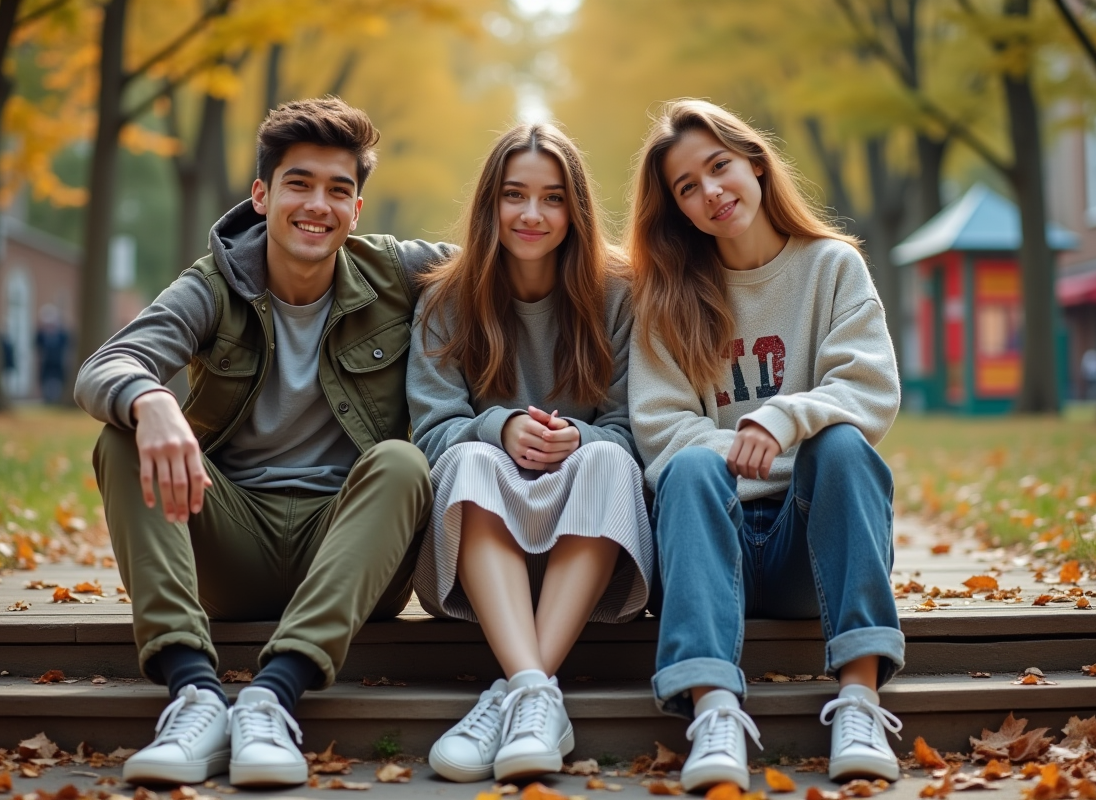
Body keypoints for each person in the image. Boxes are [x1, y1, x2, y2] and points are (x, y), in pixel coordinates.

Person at [75, 97, 452, 788]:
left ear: (357, 211)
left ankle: (272, 700)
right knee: (121, 437)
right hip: (231, 536)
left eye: (340, 190)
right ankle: (193, 694)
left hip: (347, 546)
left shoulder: (396, 271)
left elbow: (515, 251)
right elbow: (106, 365)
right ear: (262, 195)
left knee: (403, 462)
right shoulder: (213, 284)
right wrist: (153, 400)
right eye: (299, 183)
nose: (319, 205)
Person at [625, 99, 904, 791]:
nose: (710, 192)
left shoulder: (832, 267)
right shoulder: (667, 297)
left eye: (718, 167)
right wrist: (733, 449)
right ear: (679, 210)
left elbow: (868, 386)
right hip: (707, 547)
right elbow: (659, 428)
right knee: (688, 466)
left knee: (840, 447)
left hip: (810, 546)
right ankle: (714, 711)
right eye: (687, 187)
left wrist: (783, 419)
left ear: (754, 162)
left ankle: (861, 701)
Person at [407, 123, 653, 783]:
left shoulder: (620, 293)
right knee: (467, 458)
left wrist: (580, 438)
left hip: (592, 541)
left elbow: (638, 430)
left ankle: (515, 693)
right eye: (515, 195)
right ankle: (536, 692)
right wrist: (499, 428)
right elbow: (431, 437)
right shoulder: (445, 299)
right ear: (490, 205)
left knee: (608, 460)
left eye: (551, 198)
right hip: (482, 546)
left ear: (575, 208)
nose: (532, 215)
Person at [35, 304, 71, 404]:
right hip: (46, 363)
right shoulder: (40, 335)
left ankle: (57, 398)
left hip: (58, 363)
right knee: (45, 380)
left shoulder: (62, 335)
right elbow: (38, 349)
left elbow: (67, 348)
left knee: (58, 381)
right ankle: (47, 399)